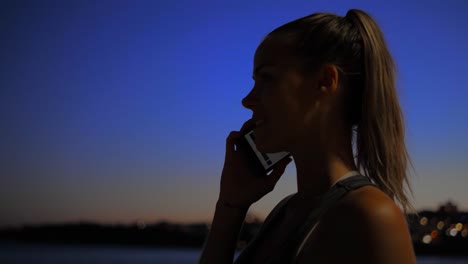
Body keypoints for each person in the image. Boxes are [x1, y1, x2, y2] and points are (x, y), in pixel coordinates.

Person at [199, 9, 416, 264]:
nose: (247, 100)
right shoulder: (286, 212)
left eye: (266, 79)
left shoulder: (371, 216)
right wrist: (230, 206)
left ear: (325, 81)